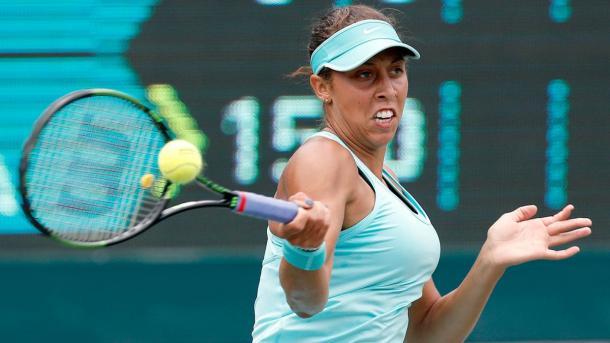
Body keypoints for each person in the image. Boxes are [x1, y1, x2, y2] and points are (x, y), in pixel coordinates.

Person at [252, 5, 592, 342]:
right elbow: (304, 302)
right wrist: (303, 249)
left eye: (396, 70)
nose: (387, 88)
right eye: (365, 74)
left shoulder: (387, 184)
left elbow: (426, 333)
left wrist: (490, 261)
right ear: (322, 87)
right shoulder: (322, 159)